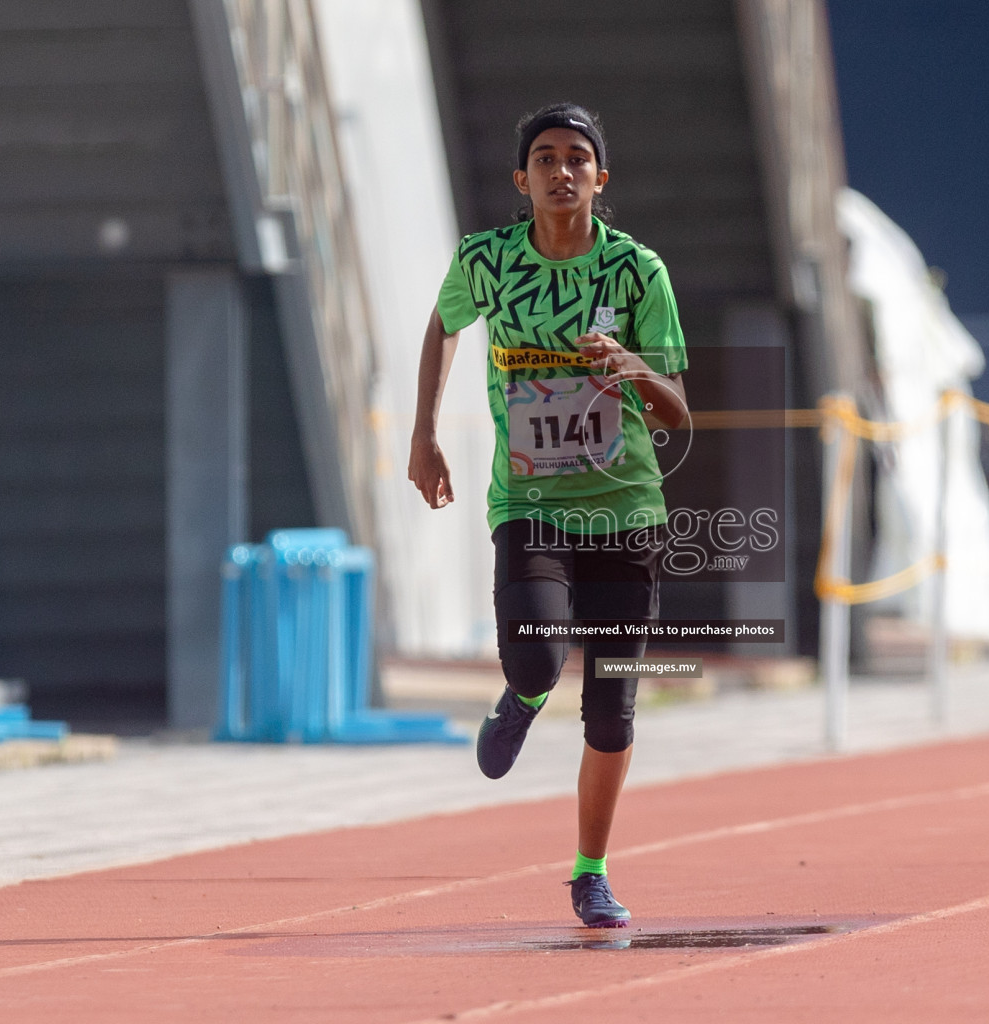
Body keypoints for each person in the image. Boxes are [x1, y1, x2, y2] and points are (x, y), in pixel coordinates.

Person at [408, 103, 688, 928]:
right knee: (534, 659)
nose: (560, 171)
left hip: (625, 509)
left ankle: (589, 871)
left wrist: (632, 365)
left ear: (600, 181)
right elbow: (444, 325)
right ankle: (522, 700)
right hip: (530, 504)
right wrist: (424, 435)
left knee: (612, 707)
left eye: (577, 159)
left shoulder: (638, 273)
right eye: (544, 158)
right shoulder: (486, 261)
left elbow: (675, 411)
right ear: (521, 179)